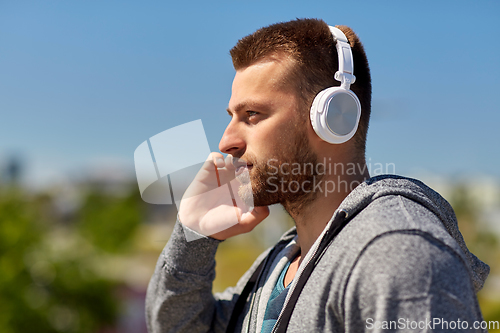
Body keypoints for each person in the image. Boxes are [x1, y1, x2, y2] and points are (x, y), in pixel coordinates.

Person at [145, 18, 489, 332]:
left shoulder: (397, 252)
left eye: (252, 114)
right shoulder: (281, 262)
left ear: (334, 117)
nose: (226, 142)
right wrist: (192, 235)